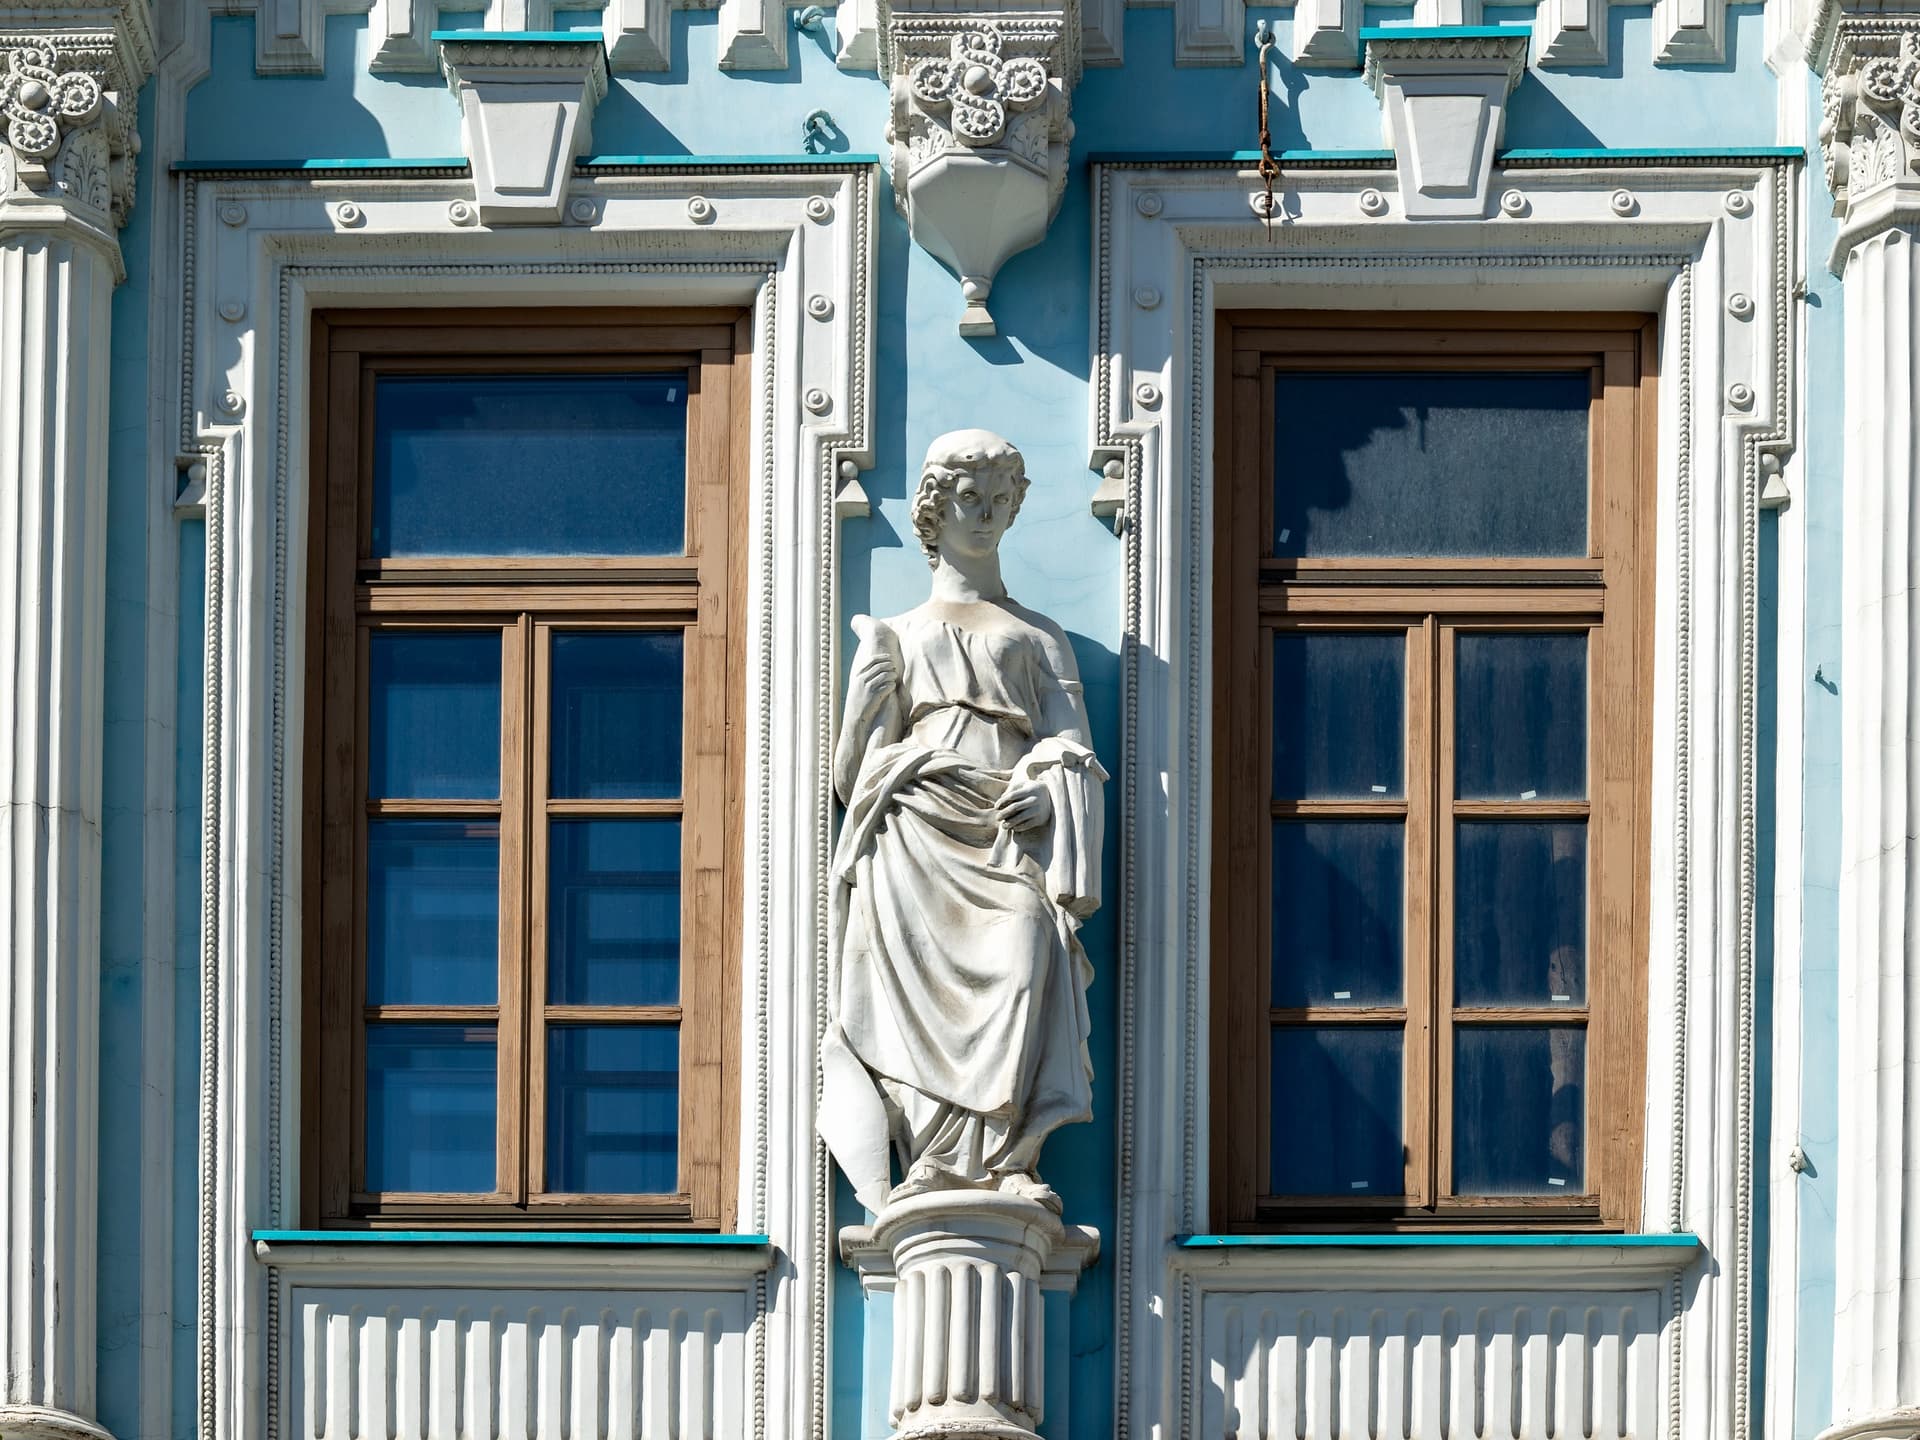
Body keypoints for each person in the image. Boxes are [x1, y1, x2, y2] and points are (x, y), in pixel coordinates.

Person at [821, 429, 1105, 1216]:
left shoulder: (1039, 637)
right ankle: (936, 1158)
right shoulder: (898, 635)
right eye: (968, 499)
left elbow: (1073, 749)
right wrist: (862, 706)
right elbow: (852, 777)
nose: (984, 515)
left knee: (1026, 951)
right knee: (912, 986)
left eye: (999, 501)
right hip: (914, 829)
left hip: (1006, 834)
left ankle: (1005, 1154)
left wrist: (1051, 795)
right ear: (934, 509)